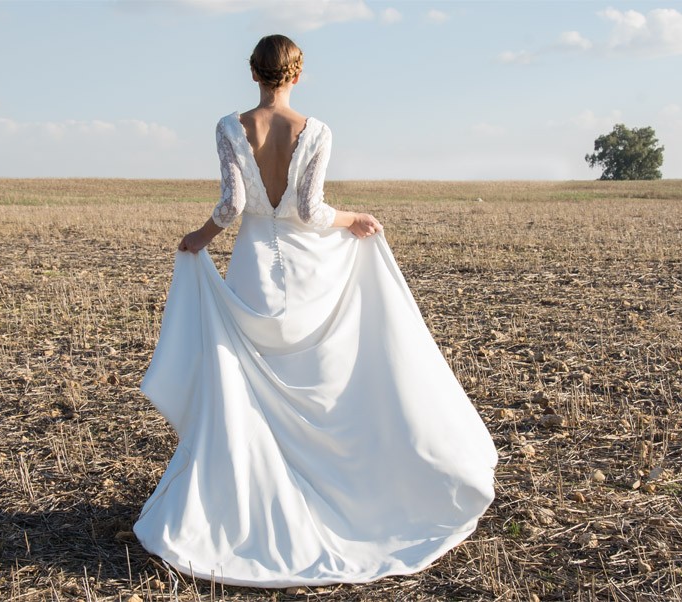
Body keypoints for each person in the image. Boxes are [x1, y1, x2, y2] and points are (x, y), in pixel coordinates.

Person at [132, 34, 498, 589]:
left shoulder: (229, 127)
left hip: (254, 266)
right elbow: (308, 209)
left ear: (253, 72)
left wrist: (199, 238)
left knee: (250, 387)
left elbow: (232, 206)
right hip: (306, 269)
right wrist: (351, 219)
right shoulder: (317, 131)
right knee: (321, 378)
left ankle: (248, 505)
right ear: (297, 75)